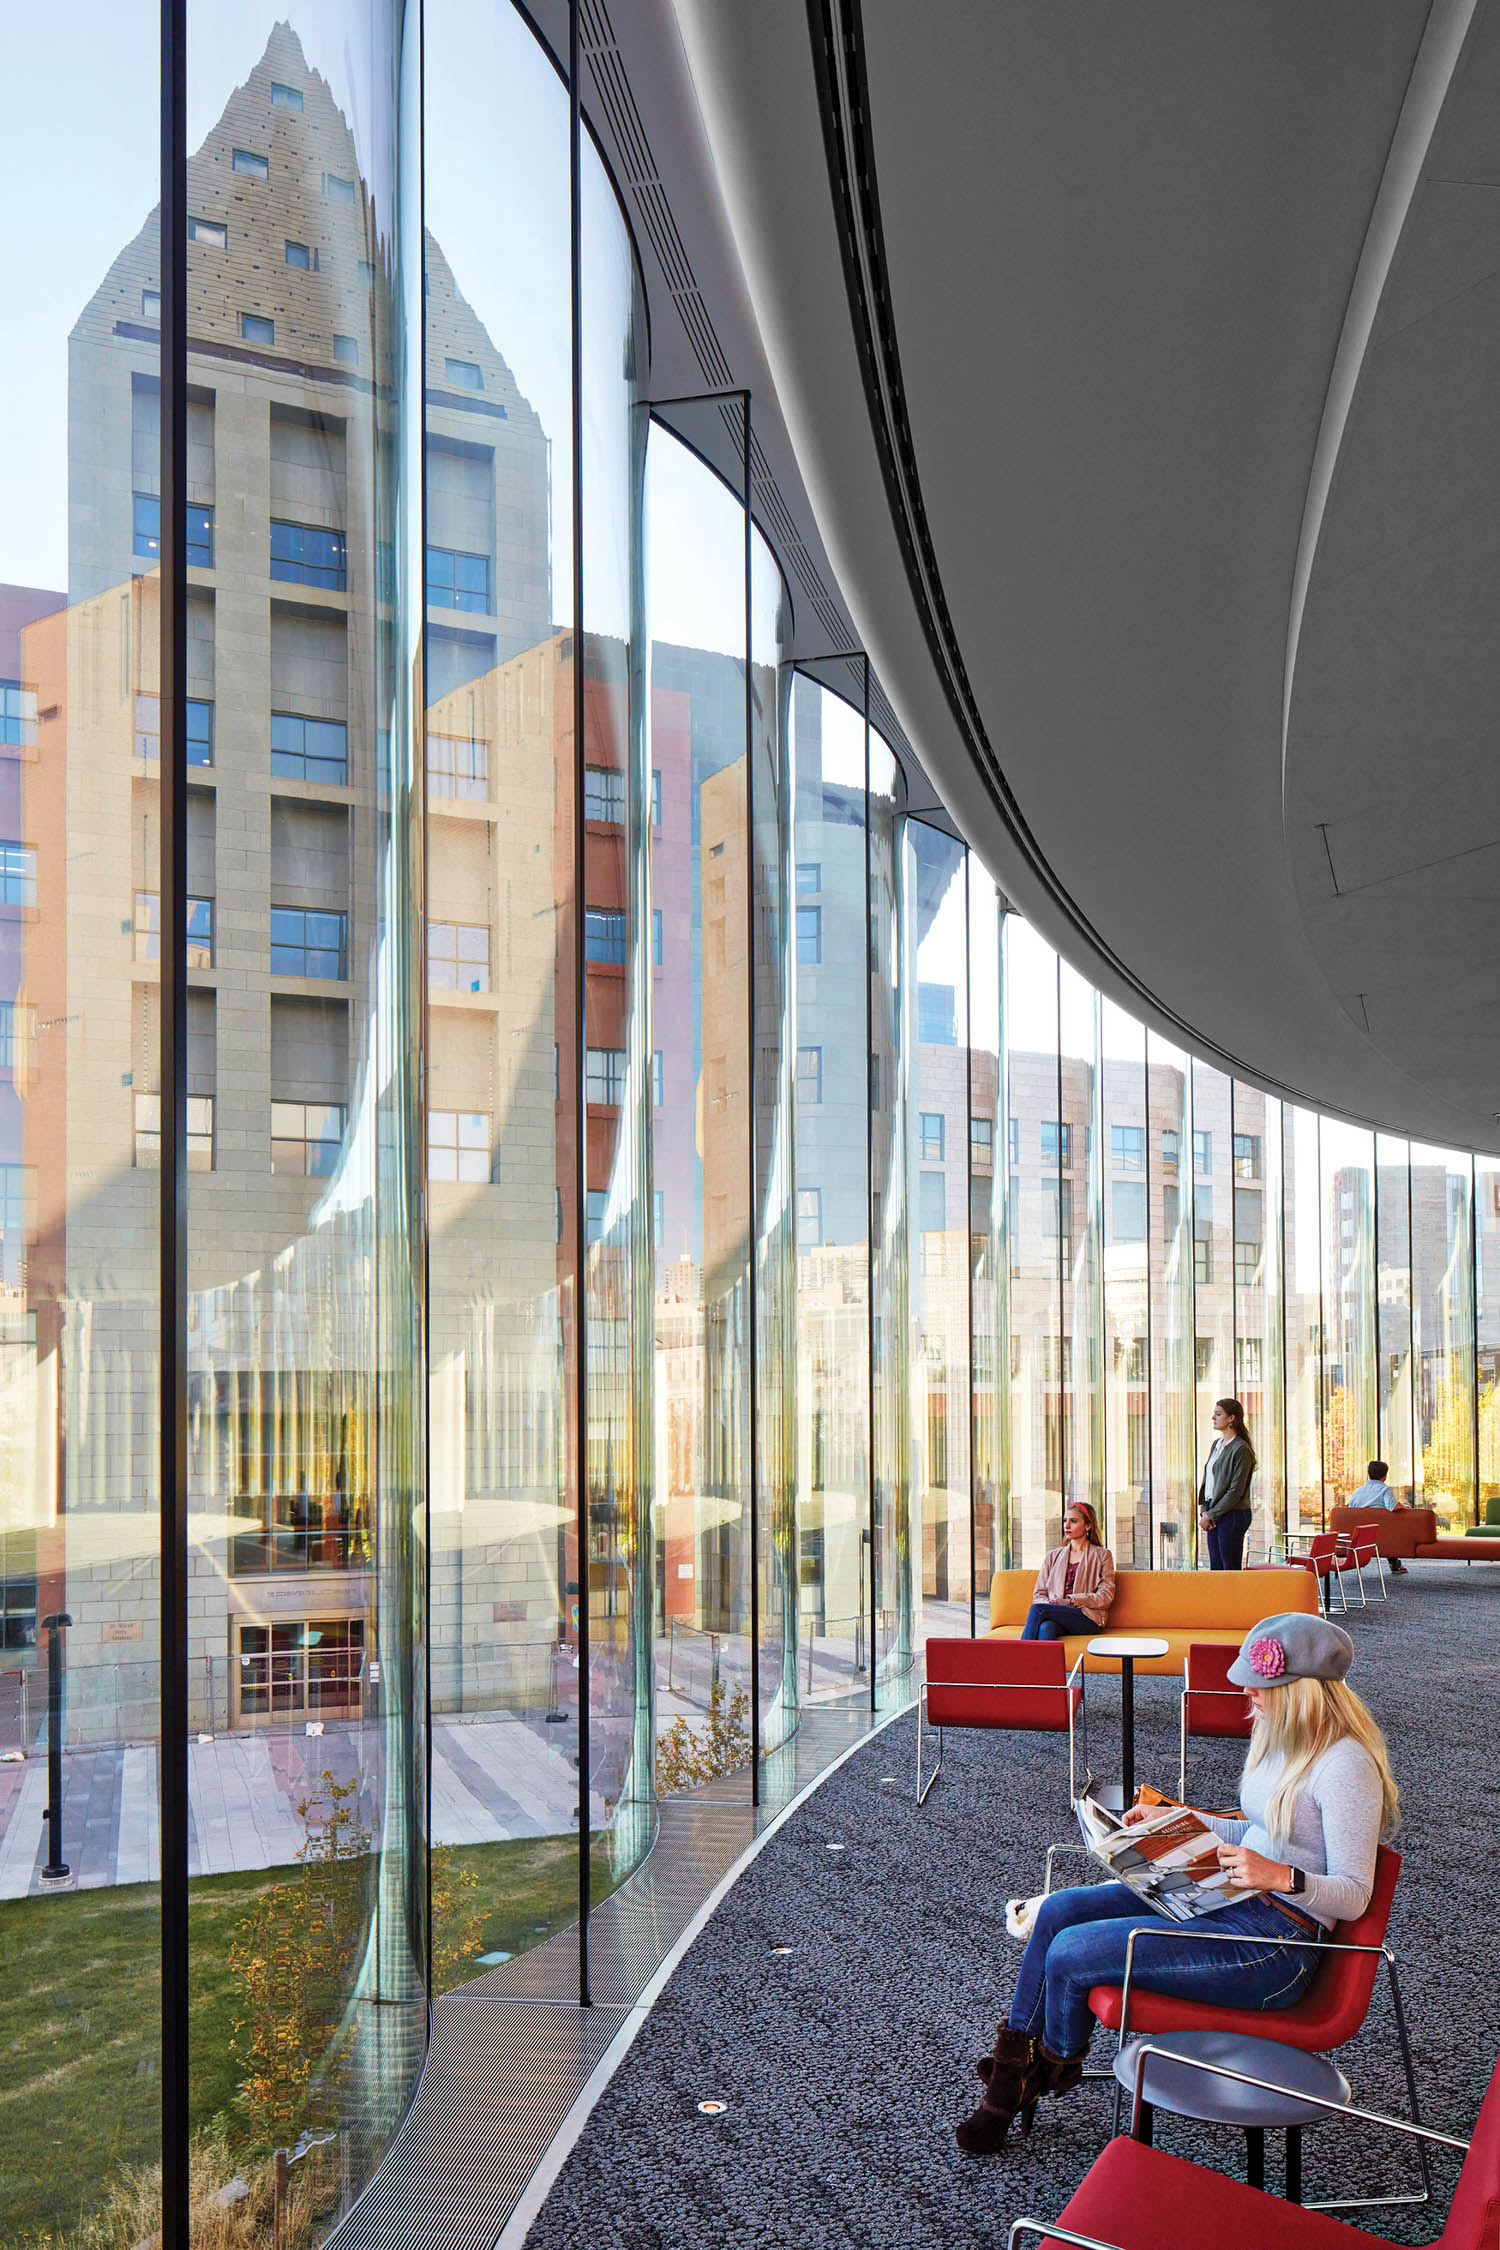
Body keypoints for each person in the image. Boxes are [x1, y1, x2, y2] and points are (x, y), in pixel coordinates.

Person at [956, 1610, 1397, 2154]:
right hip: (1233, 1890)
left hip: (1274, 1945)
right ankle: (1014, 2070)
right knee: (1056, 1912)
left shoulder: (1346, 1765)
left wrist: (1281, 1876)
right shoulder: (1283, 1739)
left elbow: (1355, 1895)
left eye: (1260, 1687)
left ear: (1300, 1690)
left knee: (1071, 1952)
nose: (1247, 1697)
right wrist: (1178, 1818)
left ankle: (1047, 2067)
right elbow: (1259, 1827)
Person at [1018, 1502, 1115, 1641]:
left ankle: (1017, 1660)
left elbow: (1105, 1597)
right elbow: (1039, 1594)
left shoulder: (1102, 1555)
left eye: (1073, 1521)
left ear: (1088, 1526)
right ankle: (1044, 1663)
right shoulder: (1052, 1556)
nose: (1067, 1525)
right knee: (1046, 1627)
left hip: (1087, 1618)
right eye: (1065, 1520)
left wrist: (1071, 1601)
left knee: (1037, 1609)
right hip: (1055, 1613)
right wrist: (1051, 1603)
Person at [1198, 1397, 1256, 1568]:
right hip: (1214, 1512)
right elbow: (1208, 1481)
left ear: (1231, 1418)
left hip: (1233, 1515)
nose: (1213, 1418)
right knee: (1216, 1568)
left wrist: (1211, 1515)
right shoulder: (1216, 1444)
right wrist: (1205, 1510)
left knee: (1229, 1568)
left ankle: (1235, 1596)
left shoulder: (1241, 1449)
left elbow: (1235, 1491)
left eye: (1218, 1414)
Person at [1346, 1458, 1408, 1573]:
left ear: (1369, 1474)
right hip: (1381, 1533)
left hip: (1359, 1534)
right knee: (1387, 1528)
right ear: (1384, 1476)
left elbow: (1351, 1509)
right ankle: (1394, 1563)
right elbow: (1392, 1506)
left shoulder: (1357, 1491)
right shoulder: (1384, 1489)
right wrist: (1404, 1506)